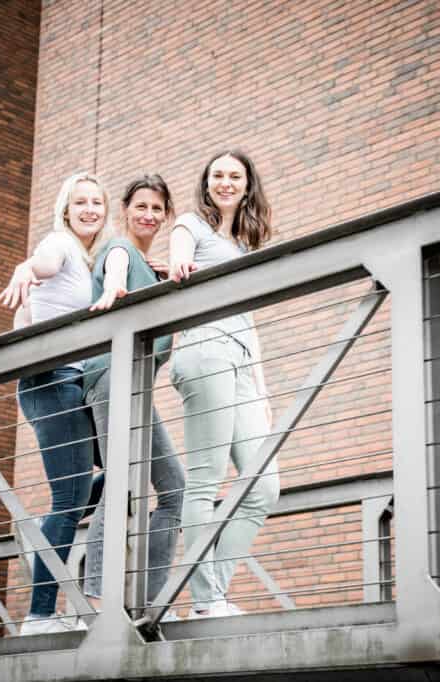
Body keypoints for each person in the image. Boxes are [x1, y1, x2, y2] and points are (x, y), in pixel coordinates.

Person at [0, 171, 113, 635]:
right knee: (69, 497)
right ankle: (40, 615)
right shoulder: (59, 243)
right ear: (66, 208)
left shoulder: (89, 260)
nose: (89, 209)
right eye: (80, 201)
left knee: (122, 470)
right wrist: (27, 269)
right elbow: (41, 265)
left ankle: (50, 546)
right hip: (54, 380)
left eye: (97, 203)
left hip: (74, 382)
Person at [167, 150, 280, 618]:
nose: (226, 182)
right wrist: (179, 267)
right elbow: (178, 257)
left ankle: (210, 592)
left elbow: (249, 321)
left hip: (242, 362)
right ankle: (207, 600)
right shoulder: (191, 226)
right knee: (205, 480)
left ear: (248, 183)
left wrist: (263, 387)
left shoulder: (246, 244)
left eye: (235, 176)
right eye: (218, 175)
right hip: (205, 349)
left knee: (263, 486)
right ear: (206, 182)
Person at [81, 175, 186, 617]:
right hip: (113, 379)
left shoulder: (149, 266)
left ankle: (149, 602)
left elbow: (135, 267)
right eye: (141, 206)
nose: (149, 215)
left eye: (157, 209)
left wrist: (160, 274)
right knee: (121, 484)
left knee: (174, 488)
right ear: (126, 209)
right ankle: (98, 600)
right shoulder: (119, 251)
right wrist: (113, 288)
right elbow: (118, 266)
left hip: (138, 387)